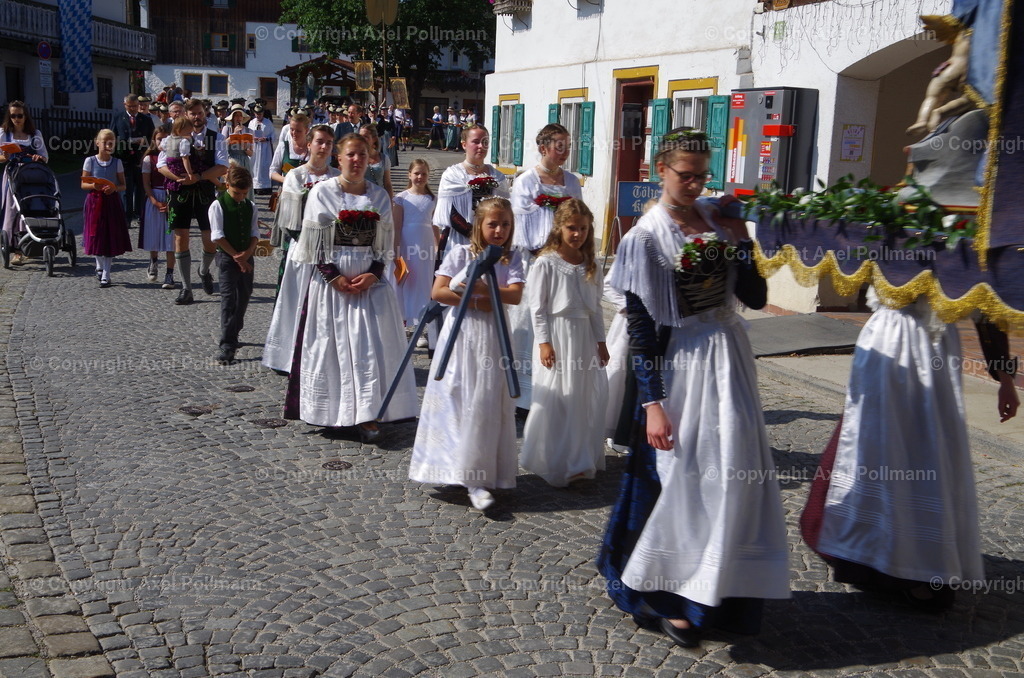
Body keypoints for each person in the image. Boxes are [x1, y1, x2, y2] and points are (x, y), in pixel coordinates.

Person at [596, 129, 789, 649]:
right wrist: (652, 404)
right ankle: (673, 598)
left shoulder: (717, 221)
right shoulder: (647, 235)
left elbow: (752, 296)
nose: (696, 184)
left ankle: (724, 587)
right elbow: (640, 328)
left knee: (734, 478)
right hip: (683, 365)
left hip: (731, 360)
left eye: (703, 175)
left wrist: (740, 238)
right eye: (686, 175)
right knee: (686, 481)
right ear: (661, 169)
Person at [800, 298, 1019, 612]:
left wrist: (1005, 378)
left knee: (922, 451)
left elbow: (991, 305)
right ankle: (865, 554)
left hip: (933, 349)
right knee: (868, 444)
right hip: (887, 341)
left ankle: (917, 567)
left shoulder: (967, 248)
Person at [284, 133, 417, 442]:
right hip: (332, 287)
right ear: (339, 158)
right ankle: (332, 411)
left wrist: (373, 274)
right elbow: (312, 243)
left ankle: (369, 413)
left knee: (368, 348)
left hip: (369, 286)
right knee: (331, 347)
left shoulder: (379, 197)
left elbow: (385, 246)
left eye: (362, 154)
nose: (356, 160)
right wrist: (333, 276)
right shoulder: (321, 194)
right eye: (350, 155)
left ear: (370, 158)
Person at [408, 197, 525, 511]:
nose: (499, 230)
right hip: (463, 333)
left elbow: (514, 295)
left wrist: (484, 290)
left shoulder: (509, 259)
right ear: (479, 226)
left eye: (505, 224)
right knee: (459, 397)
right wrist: (476, 300)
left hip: (494, 336)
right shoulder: (461, 253)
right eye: (492, 224)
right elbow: (439, 291)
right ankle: (455, 468)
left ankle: (485, 472)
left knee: (488, 401)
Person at [520, 199, 608, 487]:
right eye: (572, 228)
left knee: (581, 399)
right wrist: (544, 342)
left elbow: (595, 308)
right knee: (557, 398)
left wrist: (601, 342)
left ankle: (579, 464)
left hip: (582, 338)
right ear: (560, 228)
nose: (577, 234)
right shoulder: (546, 263)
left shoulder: (590, 265)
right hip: (557, 337)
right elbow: (538, 308)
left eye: (583, 229)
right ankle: (553, 457)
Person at [509, 123, 583, 408]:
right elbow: (521, 226)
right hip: (535, 262)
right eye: (559, 146)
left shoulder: (573, 182)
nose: (564, 152)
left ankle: (555, 389)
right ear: (543, 148)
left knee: (560, 322)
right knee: (529, 322)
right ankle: (523, 396)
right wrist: (546, 253)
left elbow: (579, 219)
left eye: (567, 146)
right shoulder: (527, 181)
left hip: (565, 262)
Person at [262, 124, 340, 374]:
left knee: (324, 304)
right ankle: (287, 356)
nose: (324, 146)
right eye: (320, 141)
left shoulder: (338, 177)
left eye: (329, 142)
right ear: (309, 144)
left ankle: (320, 356)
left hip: (331, 249)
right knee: (294, 300)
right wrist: (310, 241)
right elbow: (289, 217)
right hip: (302, 248)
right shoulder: (296, 176)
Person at [157, 98, 229, 305]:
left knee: (211, 239)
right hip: (179, 191)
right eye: (192, 114)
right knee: (181, 238)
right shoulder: (173, 137)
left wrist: (198, 177)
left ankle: (204, 270)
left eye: (200, 113)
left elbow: (223, 167)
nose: (196, 117)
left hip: (205, 191)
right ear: (185, 116)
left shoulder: (216, 138)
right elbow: (161, 165)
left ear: (205, 113)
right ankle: (186, 288)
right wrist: (179, 178)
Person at [434, 125, 509, 261]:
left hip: (491, 240)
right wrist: (476, 235)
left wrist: (490, 235)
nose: (481, 146)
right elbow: (451, 213)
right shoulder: (453, 175)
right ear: (464, 144)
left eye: (485, 142)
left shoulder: (498, 177)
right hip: (459, 239)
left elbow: (505, 212)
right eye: (476, 142)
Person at [209, 166, 259, 363]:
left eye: (244, 193)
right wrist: (237, 257)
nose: (240, 197)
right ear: (227, 186)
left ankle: (234, 332)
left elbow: (255, 234)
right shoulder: (217, 206)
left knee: (244, 297)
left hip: (246, 256)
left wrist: (246, 255)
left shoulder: (251, 206)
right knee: (228, 300)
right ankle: (227, 344)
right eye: (236, 193)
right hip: (227, 259)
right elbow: (217, 236)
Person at [392, 159, 437, 337]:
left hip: (426, 247)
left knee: (424, 284)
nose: (420, 177)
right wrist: (396, 251)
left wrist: (437, 247)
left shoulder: (433, 199)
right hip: (407, 245)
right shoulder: (402, 198)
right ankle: (404, 322)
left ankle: (422, 325)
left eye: (423, 174)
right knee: (406, 283)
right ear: (409, 175)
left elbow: (435, 225)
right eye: (417, 173)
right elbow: (396, 226)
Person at [81, 129, 130, 288]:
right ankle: (99, 264)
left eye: (111, 142)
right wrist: (93, 185)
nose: (108, 145)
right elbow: (83, 184)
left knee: (109, 236)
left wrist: (114, 188)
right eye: (105, 142)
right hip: (95, 201)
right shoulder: (90, 161)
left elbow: (123, 185)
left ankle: (107, 275)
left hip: (111, 202)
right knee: (96, 234)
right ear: (97, 143)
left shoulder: (117, 162)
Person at [0, 101, 47, 265]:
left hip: (32, 174)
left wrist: (38, 157)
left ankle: (32, 244)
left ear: (25, 116)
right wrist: (4, 157)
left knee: (30, 206)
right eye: (13, 115)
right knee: (13, 209)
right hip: (13, 174)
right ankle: (17, 250)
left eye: (19, 115)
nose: (16, 119)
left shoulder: (35, 135)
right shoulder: (4, 134)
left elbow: (45, 157)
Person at [110, 94, 156, 227]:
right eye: (130, 106)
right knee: (127, 189)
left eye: (135, 106)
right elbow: (112, 137)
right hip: (125, 159)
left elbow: (153, 137)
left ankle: (141, 215)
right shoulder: (118, 117)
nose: (133, 109)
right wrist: (126, 142)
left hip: (141, 158)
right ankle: (127, 217)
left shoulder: (145, 119)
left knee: (141, 188)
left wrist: (144, 142)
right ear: (125, 105)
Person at [140, 128, 176, 287]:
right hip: (155, 197)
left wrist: (172, 202)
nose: (162, 142)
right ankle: (153, 260)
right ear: (154, 141)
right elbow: (146, 184)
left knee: (171, 239)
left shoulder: (175, 158)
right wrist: (154, 201)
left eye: (165, 139)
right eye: (159, 139)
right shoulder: (149, 159)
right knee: (154, 234)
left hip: (171, 198)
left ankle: (170, 273)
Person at [222, 104, 254, 199]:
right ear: (232, 117)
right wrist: (234, 135)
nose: (238, 118)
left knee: (244, 185)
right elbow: (221, 145)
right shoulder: (227, 129)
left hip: (244, 161)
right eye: (236, 115)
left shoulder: (249, 131)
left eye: (240, 115)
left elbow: (251, 153)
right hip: (231, 160)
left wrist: (245, 147)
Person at [247, 104, 275, 194]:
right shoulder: (252, 122)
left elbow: (273, 135)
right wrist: (252, 138)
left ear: (263, 113)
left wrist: (266, 139)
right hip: (255, 147)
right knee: (254, 165)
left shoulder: (268, 123)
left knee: (264, 165)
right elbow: (248, 133)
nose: (258, 116)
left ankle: (265, 186)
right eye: (257, 114)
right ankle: (254, 186)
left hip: (265, 148)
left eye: (260, 114)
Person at [359, 124, 393, 199]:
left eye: (365, 137)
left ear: (374, 139)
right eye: (360, 136)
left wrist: (390, 202)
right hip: (360, 200)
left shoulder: (383, 158)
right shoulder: (355, 158)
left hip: (379, 200)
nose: (362, 139)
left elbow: (387, 184)